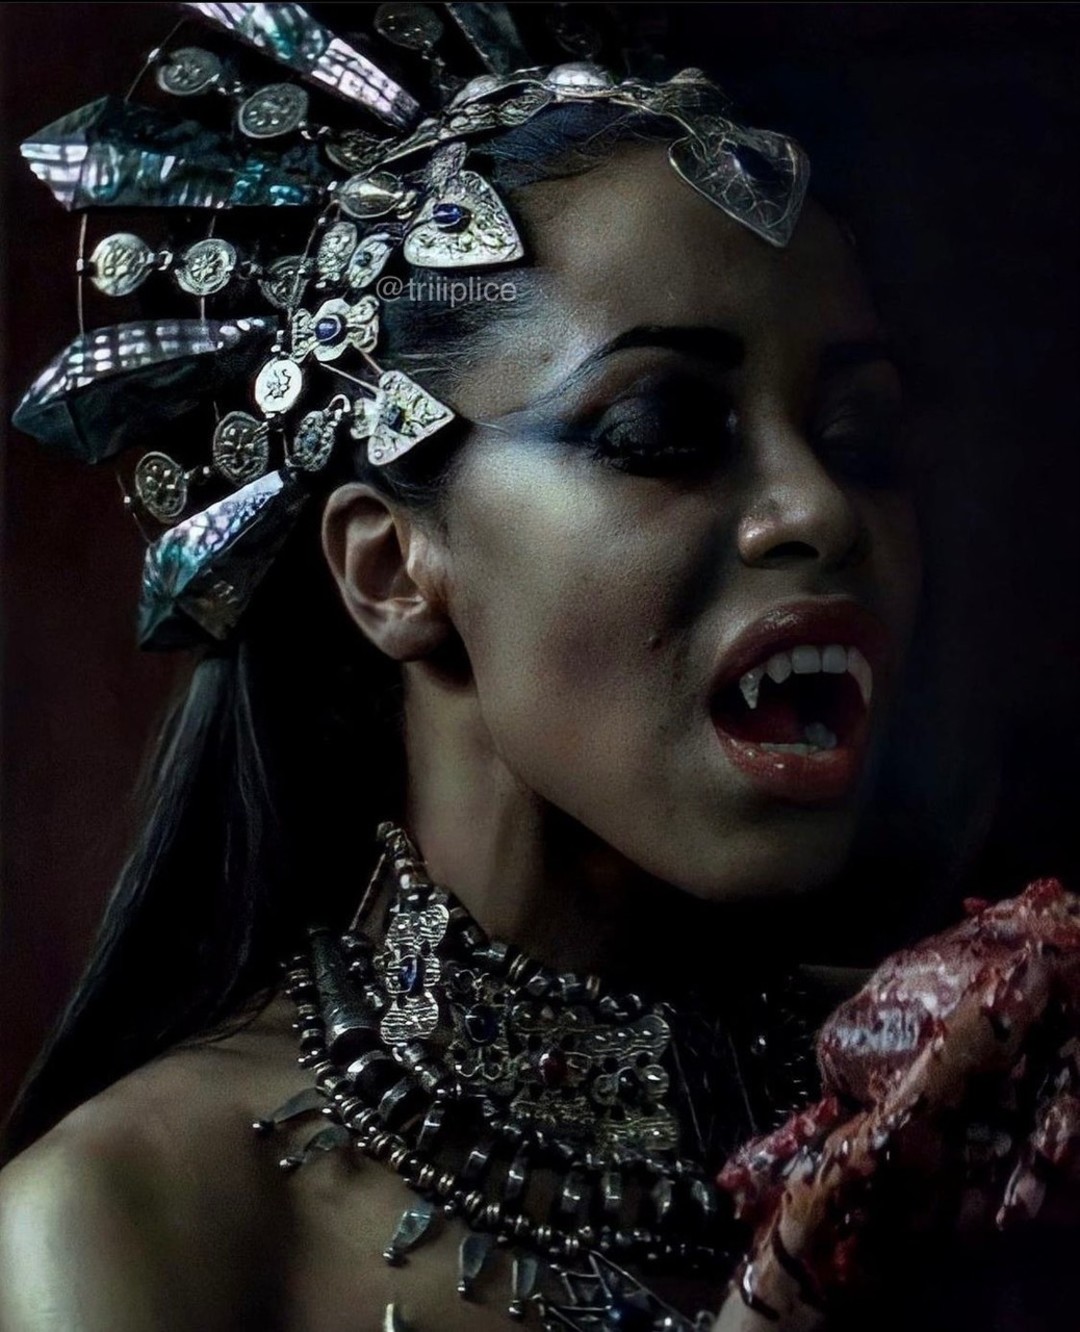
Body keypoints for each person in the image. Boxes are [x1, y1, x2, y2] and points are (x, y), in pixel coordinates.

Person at [0, 4, 1076, 1330]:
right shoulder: (137, 1229)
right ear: (392, 571)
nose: (820, 509)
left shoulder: (987, 1112)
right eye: (661, 429)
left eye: (862, 436)